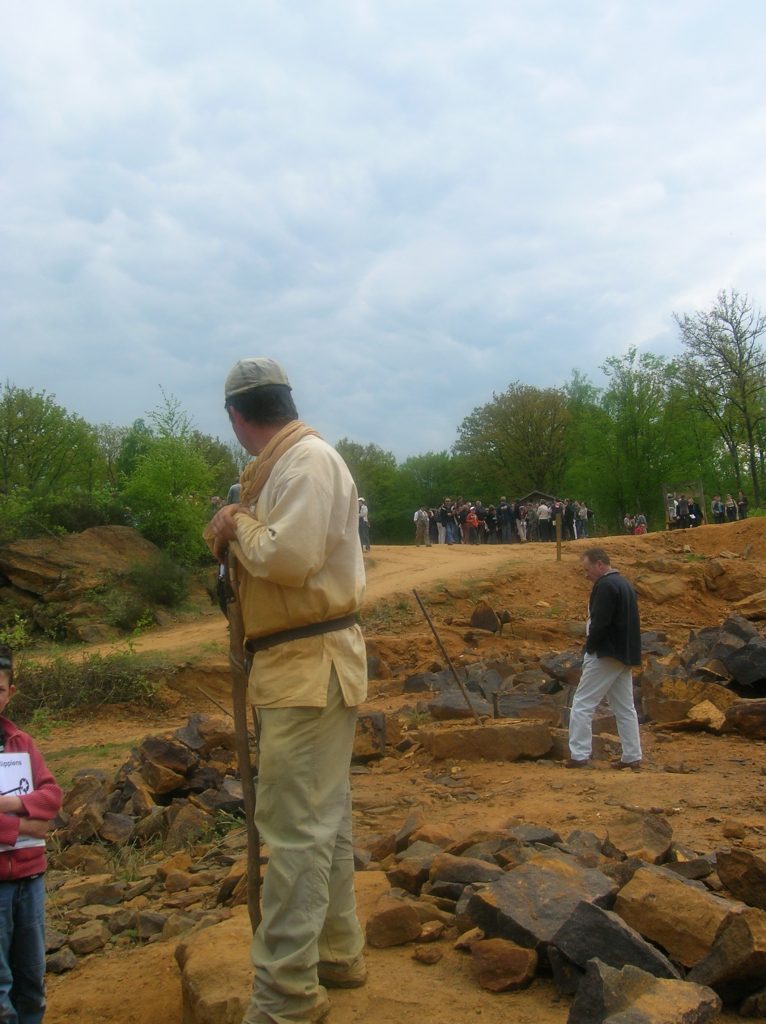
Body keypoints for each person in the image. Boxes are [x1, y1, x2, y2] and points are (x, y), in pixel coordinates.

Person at [206, 358, 367, 1024]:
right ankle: (336, 950)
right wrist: (233, 529)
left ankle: (284, 998)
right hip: (298, 664)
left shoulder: (306, 462)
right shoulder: (284, 467)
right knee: (322, 821)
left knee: (297, 829)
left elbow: (290, 557)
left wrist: (234, 526)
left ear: (238, 417)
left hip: (307, 664)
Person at [0, 644, 63, 1024]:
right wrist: (27, 822)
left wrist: (7, 806)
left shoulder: (21, 743)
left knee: (31, 983)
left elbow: (52, 795)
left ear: (10, 692)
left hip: (30, 878)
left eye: (0, 688)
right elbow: (41, 817)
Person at [566, 548, 643, 771]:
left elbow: (600, 622)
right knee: (625, 707)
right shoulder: (624, 584)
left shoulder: (605, 586)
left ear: (600, 565)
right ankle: (632, 755)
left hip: (605, 652)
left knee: (582, 703)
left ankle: (579, 754)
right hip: (624, 653)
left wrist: (589, 647)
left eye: (587, 569)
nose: (586, 574)